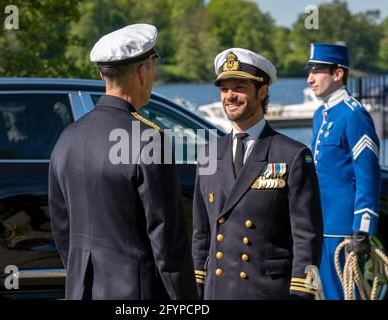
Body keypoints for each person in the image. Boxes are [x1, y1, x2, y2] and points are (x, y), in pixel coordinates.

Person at [49, 24, 197, 300]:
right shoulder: (147, 139)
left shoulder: (67, 138)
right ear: (142, 72)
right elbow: (167, 239)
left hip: (81, 290)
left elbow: (61, 227)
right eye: (153, 66)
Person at [192, 48, 323, 300]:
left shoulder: (292, 155)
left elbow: (306, 236)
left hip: (268, 291)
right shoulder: (208, 154)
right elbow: (201, 236)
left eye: (239, 87)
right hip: (217, 291)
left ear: (261, 92)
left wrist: (301, 292)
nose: (229, 96)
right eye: (224, 89)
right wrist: (196, 287)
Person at [306, 43, 381, 300]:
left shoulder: (354, 115)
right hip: (320, 222)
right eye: (310, 70)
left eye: (317, 70)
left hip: (343, 226)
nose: (310, 78)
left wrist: (363, 227)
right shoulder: (320, 114)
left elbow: (367, 174)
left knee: (342, 294)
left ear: (337, 74)